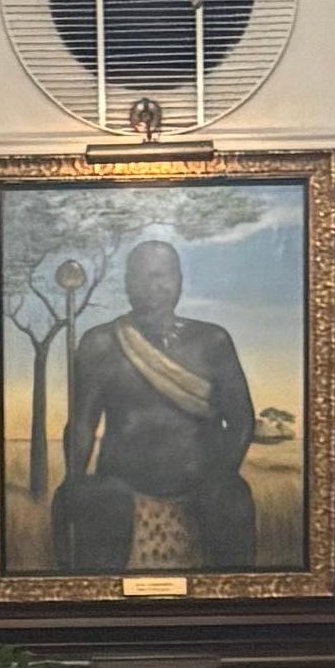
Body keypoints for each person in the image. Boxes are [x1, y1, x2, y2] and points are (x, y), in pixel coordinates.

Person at [50, 232, 263, 573]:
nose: (155, 286)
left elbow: (241, 421)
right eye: (144, 276)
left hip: (202, 481)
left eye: (164, 276)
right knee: (93, 501)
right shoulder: (100, 343)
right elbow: (82, 424)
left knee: (230, 499)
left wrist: (222, 475)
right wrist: (73, 478)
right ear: (128, 284)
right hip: (120, 483)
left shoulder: (213, 341)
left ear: (180, 281)